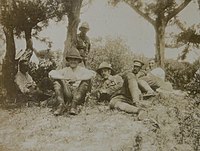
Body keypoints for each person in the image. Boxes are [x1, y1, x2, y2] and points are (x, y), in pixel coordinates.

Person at [49, 47, 96, 116]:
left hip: (79, 94)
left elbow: (92, 74)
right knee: (57, 81)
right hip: (68, 93)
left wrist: (77, 78)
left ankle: (74, 105)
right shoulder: (65, 70)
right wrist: (64, 78)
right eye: (71, 59)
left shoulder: (82, 70)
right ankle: (61, 105)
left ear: (78, 61)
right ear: (68, 60)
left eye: (75, 59)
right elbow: (51, 73)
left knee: (85, 81)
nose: (73, 61)